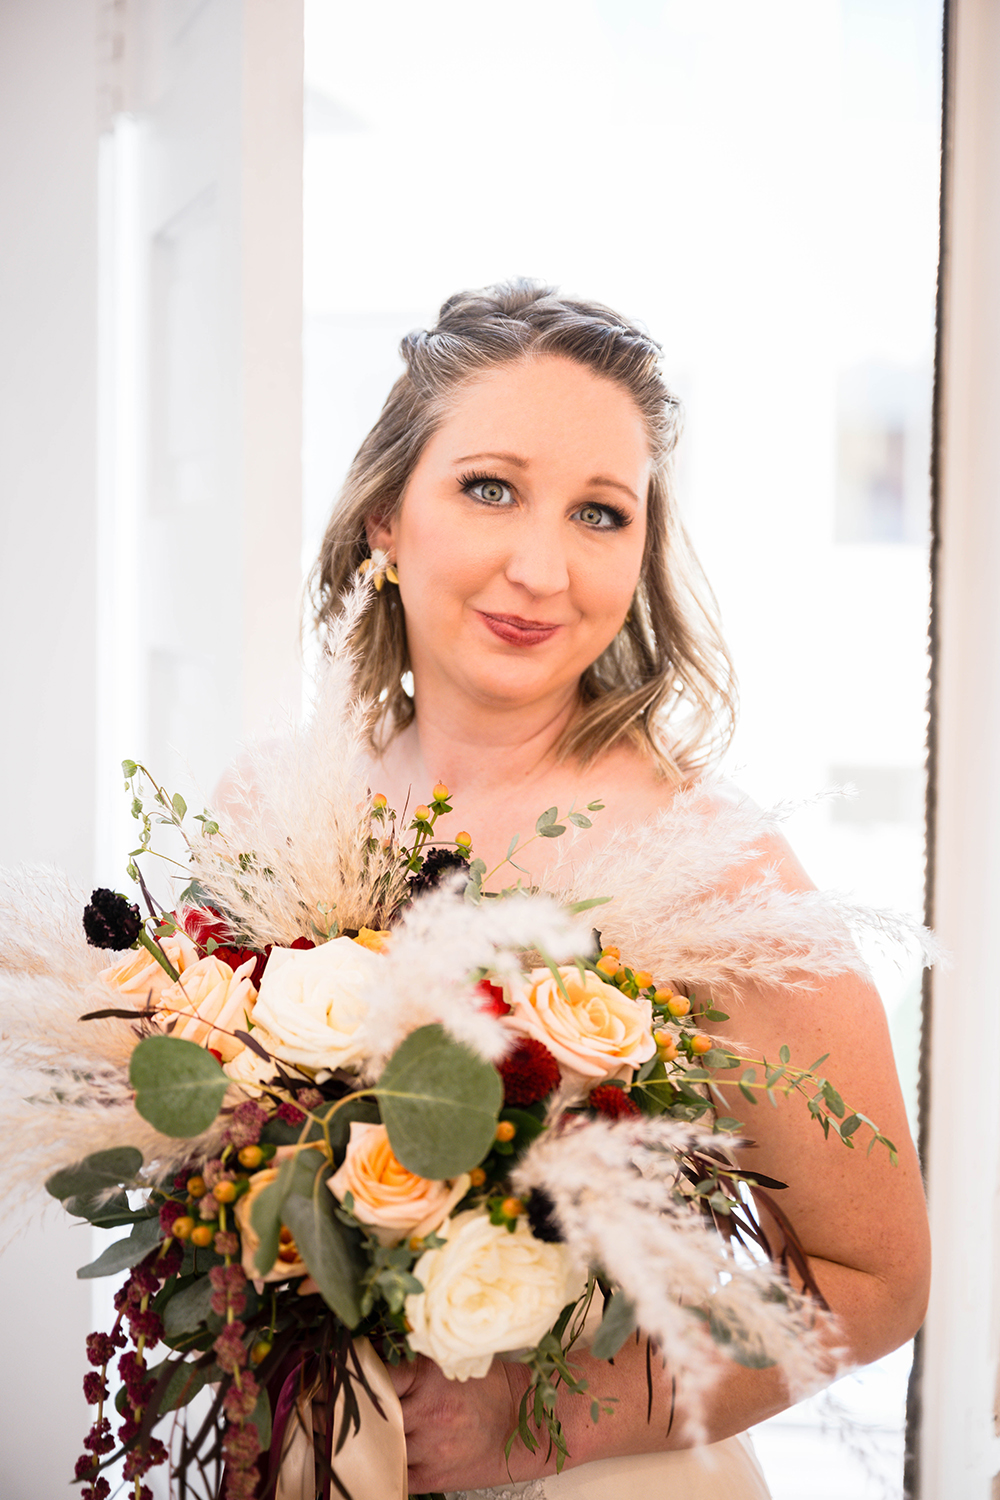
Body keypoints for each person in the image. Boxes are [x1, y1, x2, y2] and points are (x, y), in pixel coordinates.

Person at [306, 280, 931, 1498]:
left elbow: (878, 1279)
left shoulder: (709, 871)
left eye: (601, 513)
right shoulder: (302, 810)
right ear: (387, 516)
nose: (542, 567)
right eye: (490, 488)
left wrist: (550, 1425)